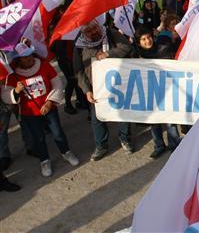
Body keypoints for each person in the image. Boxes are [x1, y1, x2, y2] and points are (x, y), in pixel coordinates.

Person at [3, 43, 80, 177]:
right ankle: (44, 160)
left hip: (49, 109)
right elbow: (5, 95)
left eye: (30, 55)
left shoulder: (44, 65)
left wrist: (50, 102)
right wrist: (15, 91)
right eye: (25, 57)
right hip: (29, 114)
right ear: (18, 59)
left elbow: (57, 83)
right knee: (38, 138)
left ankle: (66, 152)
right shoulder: (13, 75)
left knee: (58, 133)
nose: (29, 59)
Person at [74, 20, 134, 161]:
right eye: (89, 31)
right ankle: (101, 145)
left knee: (122, 113)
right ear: (83, 33)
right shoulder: (78, 45)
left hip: (118, 83)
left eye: (95, 27)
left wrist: (108, 54)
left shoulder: (109, 33)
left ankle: (125, 138)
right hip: (96, 88)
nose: (94, 32)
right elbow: (78, 70)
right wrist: (87, 90)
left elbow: (127, 47)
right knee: (98, 118)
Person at [135, 27, 181, 159]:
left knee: (170, 119)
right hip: (149, 91)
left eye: (148, 37)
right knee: (154, 120)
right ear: (139, 42)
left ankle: (174, 144)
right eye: (143, 39)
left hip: (167, 89)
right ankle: (159, 146)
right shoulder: (136, 54)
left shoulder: (164, 48)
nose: (147, 41)